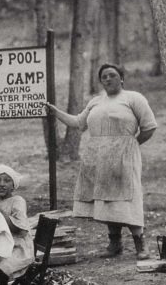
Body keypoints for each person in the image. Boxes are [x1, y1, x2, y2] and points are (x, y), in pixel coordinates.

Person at [45, 63, 157, 260]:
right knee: (107, 199)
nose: (108, 79)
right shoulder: (95, 101)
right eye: (104, 76)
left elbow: (149, 127)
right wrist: (55, 112)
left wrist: (131, 145)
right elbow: (78, 123)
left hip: (125, 155)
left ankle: (141, 245)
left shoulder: (133, 98)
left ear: (121, 78)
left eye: (112, 75)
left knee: (128, 197)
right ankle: (114, 244)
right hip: (98, 156)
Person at [0, 164, 34, 285]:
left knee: (0, 271)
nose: (2, 184)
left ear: (13, 185)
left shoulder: (17, 201)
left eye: (7, 180)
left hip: (18, 248)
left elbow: (20, 229)